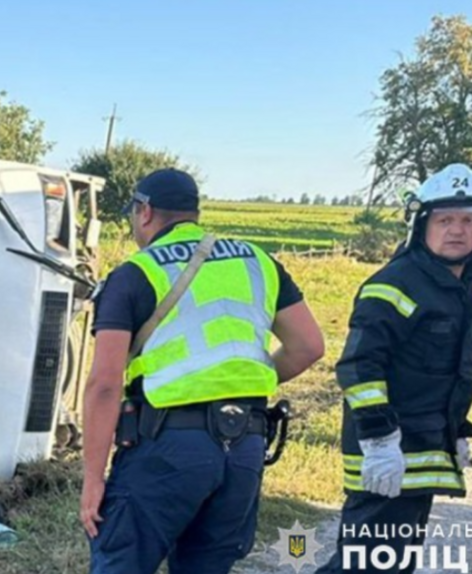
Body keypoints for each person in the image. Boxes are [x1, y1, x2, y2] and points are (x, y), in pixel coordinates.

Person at [80, 168, 325, 574]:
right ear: (193, 213)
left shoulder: (134, 274)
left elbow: (104, 385)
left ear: (144, 211)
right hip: (244, 445)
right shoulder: (258, 261)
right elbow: (309, 346)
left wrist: (92, 477)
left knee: (121, 562)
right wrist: (241, 383)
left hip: (166, 447)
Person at [316, 163, 472, 574]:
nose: (457, 230)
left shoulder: (459, 291)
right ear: (421, 224)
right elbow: (359, 365)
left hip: (417, 454)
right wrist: (379, 441)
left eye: (469, 221)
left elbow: (440, 374)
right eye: (445, 219)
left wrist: (456, 431)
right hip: (388, 458)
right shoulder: (397, 283)